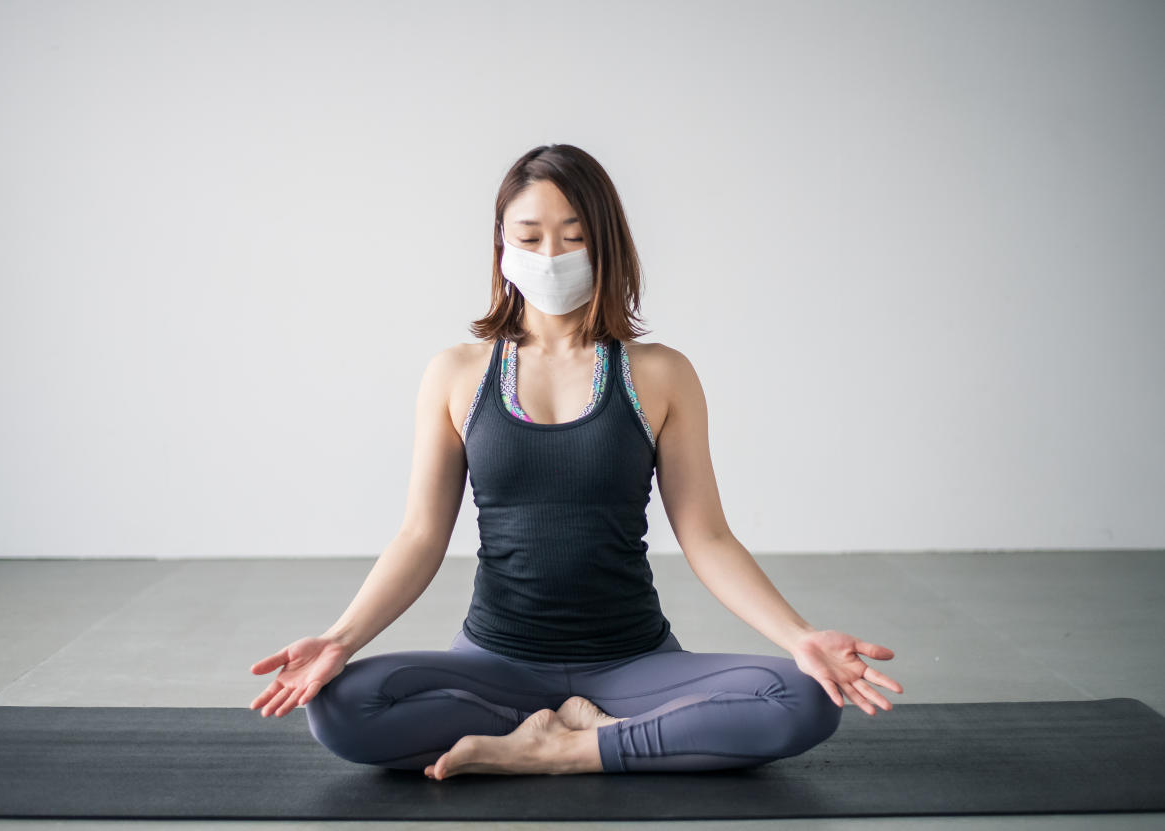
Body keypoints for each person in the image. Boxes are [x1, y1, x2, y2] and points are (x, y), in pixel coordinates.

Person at [248, 144, 904, 779]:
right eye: (529, 237)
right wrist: (338, 640)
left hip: (633, 661)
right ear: (502, 246)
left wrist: (799, 636)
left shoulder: (662, 374)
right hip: (495, 661)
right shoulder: (455, 374)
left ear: (606, 242)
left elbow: (706, 536)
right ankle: (597, 734)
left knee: (805, 698)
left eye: (572, 234)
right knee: (337, 707)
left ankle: (556, 750)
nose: (550, 255)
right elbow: (419, 536)